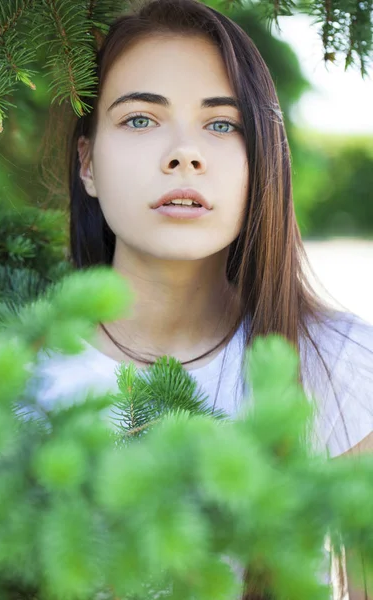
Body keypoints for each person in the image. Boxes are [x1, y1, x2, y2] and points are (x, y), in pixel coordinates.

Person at [31, 0, 373, 597]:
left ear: (260, 159)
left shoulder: (345, 367)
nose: (183, 154)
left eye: (222, 124)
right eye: (140, 119)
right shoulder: (12, 382)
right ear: (87, 163)